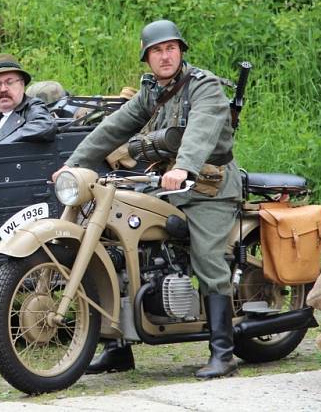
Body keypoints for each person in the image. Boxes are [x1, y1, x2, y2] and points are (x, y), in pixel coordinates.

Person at [53, 19, 242, 379]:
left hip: (209, 185)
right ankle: (118, 348)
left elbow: (201, 129)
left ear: (181, 52)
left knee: (207, 255)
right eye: (157, 51)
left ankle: (224, 352)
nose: (165, 56)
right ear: (147, 58)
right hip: (169, 182)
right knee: (117, 241)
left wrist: (184, 167)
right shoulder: (152, 92)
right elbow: (113, 127)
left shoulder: (205, 87)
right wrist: (72, 164)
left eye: (171, 48)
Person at [0, 54, 56, 145]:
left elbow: (45, 125)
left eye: (9, 82)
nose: (3, 89)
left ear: (22, 85)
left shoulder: (31, 108)